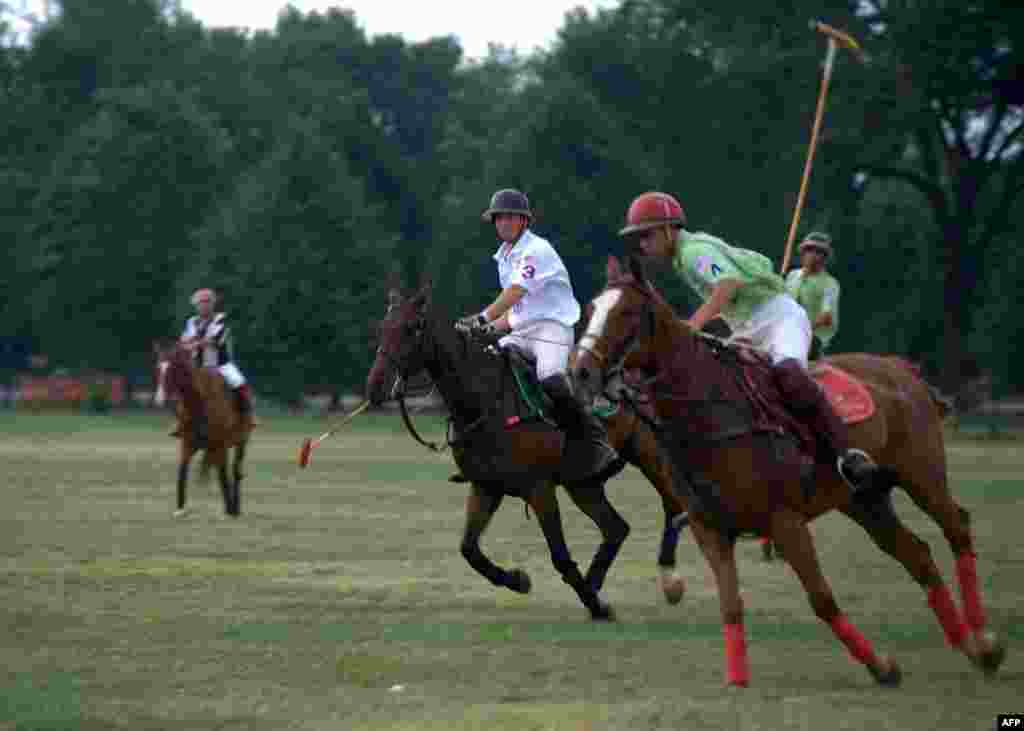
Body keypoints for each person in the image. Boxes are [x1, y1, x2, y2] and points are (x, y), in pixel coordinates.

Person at [618, 191, 880, 499]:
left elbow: (728, 284)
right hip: (747, 326)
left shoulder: (693, 252)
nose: (643, 245)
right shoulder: (683, 257)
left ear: (667, 229)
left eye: (646, 236)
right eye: (638, 239)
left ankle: (846, 454)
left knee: (789, 375)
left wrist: (694, 324)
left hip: (778, 319)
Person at [457, 188, 619, 482]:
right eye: (499, 218)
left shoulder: (536, 250)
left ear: (524, 221)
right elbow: (516, 311)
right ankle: (492, 450)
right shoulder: (504, 256)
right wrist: (484, 331)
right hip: (521, 329)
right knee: (487, 366)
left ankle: (595, 440)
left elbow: (516, 291)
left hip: (553, 327)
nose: (504, 222)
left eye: (511, 217)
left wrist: (481, 318)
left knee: (550, 377)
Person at [174, 288, 252, 446]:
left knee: (239, 382)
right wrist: (192, 342)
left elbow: (214, 342)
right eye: (200, 303)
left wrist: (193, 342)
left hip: (221, 365)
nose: (203, 306)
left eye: (207, 303)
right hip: (197, 366)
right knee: (181, 385)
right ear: (195, 306)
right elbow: (183, 342)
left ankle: (247, 417)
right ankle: (180, 423)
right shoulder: (191, 322)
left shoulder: (220, 320)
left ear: (212, 304)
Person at [785, 232, 840, 360]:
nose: (813, 254)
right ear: (803, 253)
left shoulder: (830, 284)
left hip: (812, 339)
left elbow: (825, 317)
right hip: (785, 333)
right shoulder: (792, 276)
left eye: (819, 251)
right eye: (809, 250)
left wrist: (800, 329)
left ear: (825, 257)